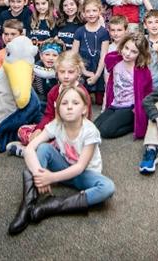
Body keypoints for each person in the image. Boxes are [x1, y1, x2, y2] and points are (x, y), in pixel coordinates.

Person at [8, 86, 114, 235]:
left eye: (75, 103)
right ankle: (27, 204)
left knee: (107, 187)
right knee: (44, 148)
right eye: (64, 103)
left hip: (84, 175)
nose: (69, 107)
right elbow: (30, 149)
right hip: (63, 168)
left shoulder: (90, 131)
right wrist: (40, 175)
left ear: (84, 109)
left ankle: (55, 205)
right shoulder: (55, 125)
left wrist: (51, 177)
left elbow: (80, 167)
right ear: (58, 108)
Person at [94, 32, 152, 139]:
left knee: (105, 131)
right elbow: (107, 59)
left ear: (140, 54)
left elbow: (147, 93)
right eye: (126, 48)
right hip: (115, 104)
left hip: (130, 107)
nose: (128, 53)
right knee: (94, 128)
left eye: (134, 51)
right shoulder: (115, 61)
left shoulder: (142, 71)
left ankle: (133, 125)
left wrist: (140, 113)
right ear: (122, 45)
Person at [73, 0, 110, 106]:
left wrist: (97, 75)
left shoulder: (104, 32)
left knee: (99, 101)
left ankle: (97, 91)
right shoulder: (79, 31)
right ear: (83, 13)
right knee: (83, 100)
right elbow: (74, 54)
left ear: (100, 12)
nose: (91, 14)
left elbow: (104, 55)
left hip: (99, 69)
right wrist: (84, 71)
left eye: (94, 10)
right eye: (88, 11)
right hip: (83, 68)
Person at [31, 38, 63, 105]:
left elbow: (48, 74)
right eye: (47, 54)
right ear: (41, 56)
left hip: (59, 99)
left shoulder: (63, 68)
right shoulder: (36, 65)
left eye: (54, 55)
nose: (50, 58)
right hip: (41, 98)